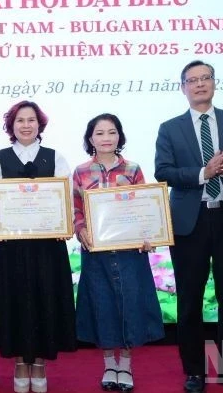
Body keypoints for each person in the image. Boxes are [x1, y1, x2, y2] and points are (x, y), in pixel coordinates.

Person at [154, 60, 223, 393]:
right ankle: (194, 373)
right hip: (191, 221)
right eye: (193, 80)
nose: (200, 84)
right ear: (183, 87)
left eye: (206, 78)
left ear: (215, 83)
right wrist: (204, 172)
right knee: (190, 299)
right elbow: (164, 171)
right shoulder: (169, 128)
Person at [0, 100, 77, 393]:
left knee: (43, 300)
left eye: (31, 120)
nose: (26, 125)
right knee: (15, 302)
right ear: (11, 126)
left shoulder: (56, 158)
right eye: (20, 120)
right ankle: (19, 364)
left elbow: (65, 198)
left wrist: (64, 223)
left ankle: (39, 363)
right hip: (11, 245)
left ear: (40, 124)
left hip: (46, 246)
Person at [72, 113, 164, 392]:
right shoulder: (80, 171)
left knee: (130, 305)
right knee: (102, 306)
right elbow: (76, 209)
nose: (106, 138)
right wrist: (81, 229)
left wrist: (149, 234)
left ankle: (125, 364)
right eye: (99, 133)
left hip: (128, 251)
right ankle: (108, 364)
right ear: (91, 139)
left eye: (112, 133)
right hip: (96, 252)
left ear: (119, 137)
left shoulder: (133, 169)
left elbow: (146, 207)